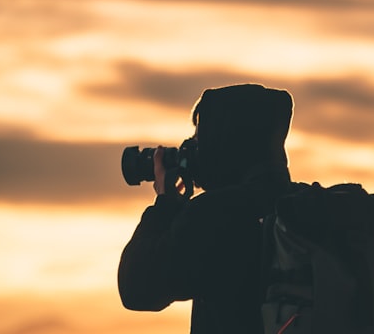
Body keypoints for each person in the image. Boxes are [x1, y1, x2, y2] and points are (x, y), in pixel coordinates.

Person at [118, 83, 294, 334]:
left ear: (225, 141)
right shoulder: (295, 205)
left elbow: (136, 288)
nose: (193, 148)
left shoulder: (215, 215)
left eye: (201, 138)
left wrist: (166, 203)